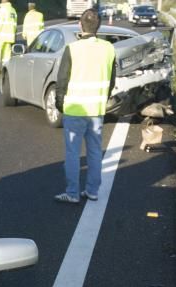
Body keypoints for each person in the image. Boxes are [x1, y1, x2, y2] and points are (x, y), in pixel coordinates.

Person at [53, 8, 116, 204]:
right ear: (99, 26)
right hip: (96, 110)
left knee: (73, 153)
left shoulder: (72, 49)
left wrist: (59, 103)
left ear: (80, 25)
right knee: (95, 152)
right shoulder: (109, 48)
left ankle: (72, 193)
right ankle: (92, 191)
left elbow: (62, 80)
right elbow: (112, 80)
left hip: (74, 109)